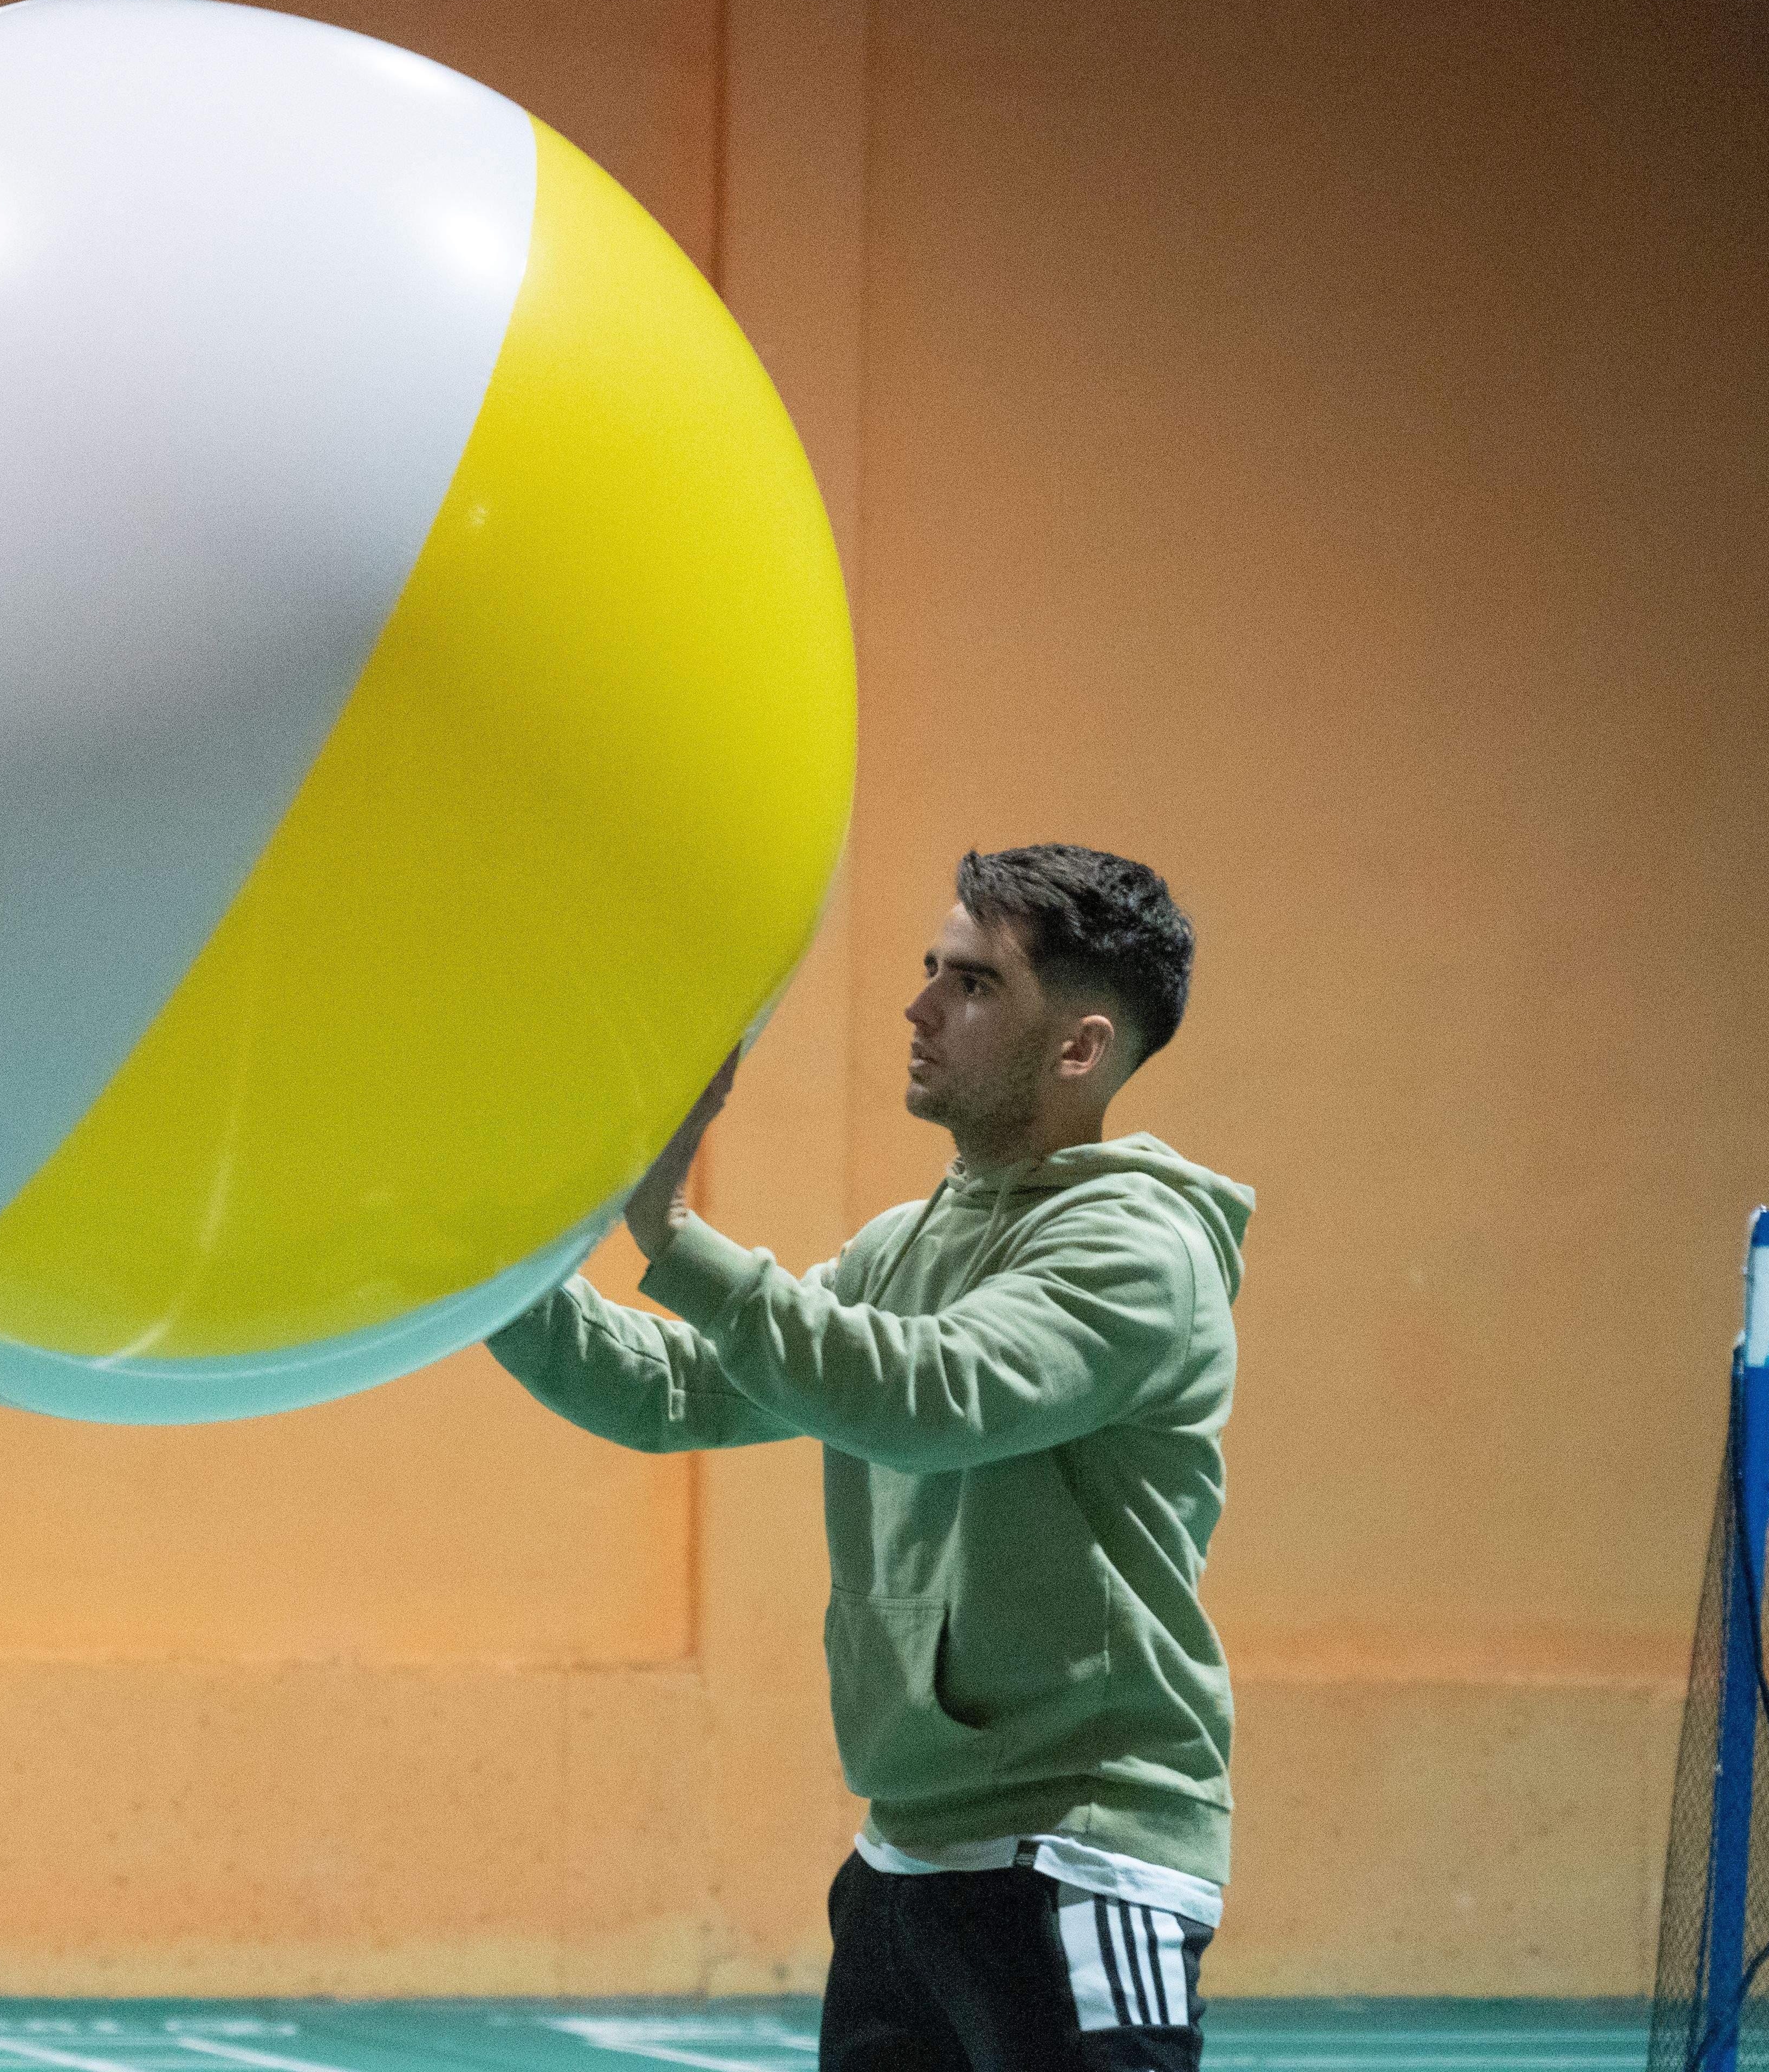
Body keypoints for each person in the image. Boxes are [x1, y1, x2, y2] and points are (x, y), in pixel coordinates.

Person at [489, 844, 1253, 2071]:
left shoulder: (1139, 1251)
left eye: (975, 984)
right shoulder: (906, 1243)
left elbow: (926, 1391)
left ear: (1080, 1048)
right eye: (930, 969)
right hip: (906, 1862)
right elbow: (673, 1386)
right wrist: (481, 1273)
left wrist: (672, 1234)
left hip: (1076, 1855)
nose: (920, 1006)